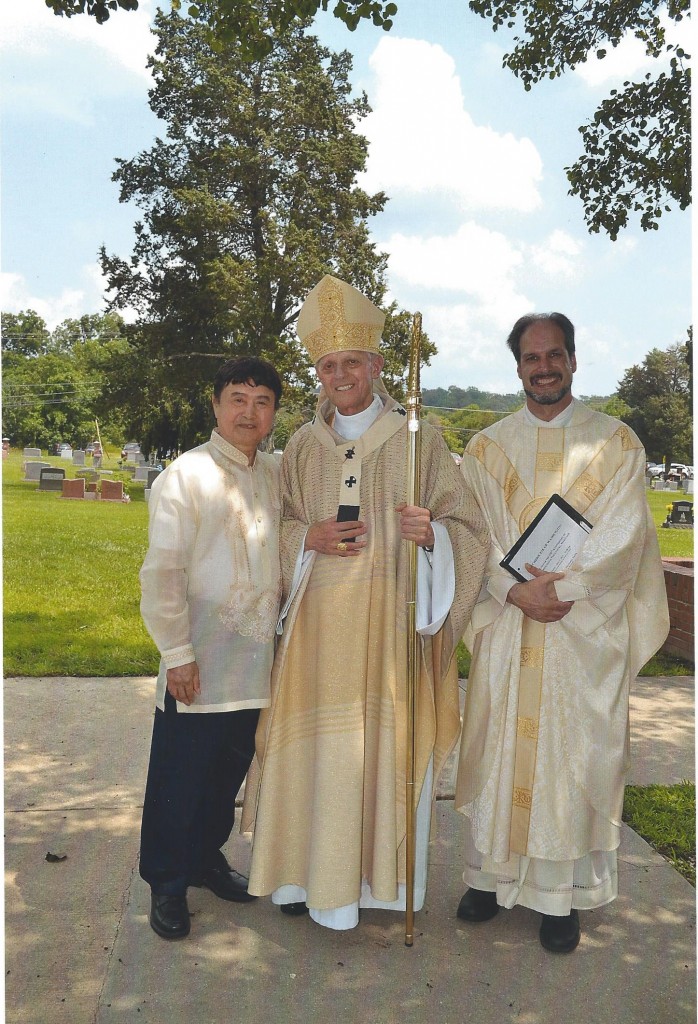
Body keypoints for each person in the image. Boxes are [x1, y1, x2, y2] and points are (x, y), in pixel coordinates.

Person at [242, 274, 489, 929]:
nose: (340, 374)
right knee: (314, 753)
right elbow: (277, 525)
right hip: (317, 631)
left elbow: (468, 529)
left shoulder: (419, 440)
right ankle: (303, 880)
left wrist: (431, 535)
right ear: (317, 372)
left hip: (387, 627)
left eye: (352, 361)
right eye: (328, 364)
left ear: (377, 365)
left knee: (376, 751)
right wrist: (308, 537)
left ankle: (377, 889)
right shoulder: (300, 444)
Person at [455, 313, 669, 953]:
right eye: (530, 357)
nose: (542, 368)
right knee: (501, 749)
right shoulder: (486, 448)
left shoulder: (617, 444)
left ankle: (562, 896)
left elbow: (625, 536)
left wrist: (563, 591)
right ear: (516, 366)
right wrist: (513, 589)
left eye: (554, 355)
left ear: (573, 360)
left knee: (571, 759)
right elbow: (471, 532)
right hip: (509, 621)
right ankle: (490, 878)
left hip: (581, 632)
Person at [139, 356, 283, 940]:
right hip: (198, 661)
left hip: (253, 663)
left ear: (274, 411)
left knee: (226, 773)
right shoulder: (185, 475)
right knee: (180, 777)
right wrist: (177, 654)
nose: (249, 412)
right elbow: (163, 572)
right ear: (216, 405)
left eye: (262, 401)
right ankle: (167, 884)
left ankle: (204, 859)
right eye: (237, 399)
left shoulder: (274, 473)